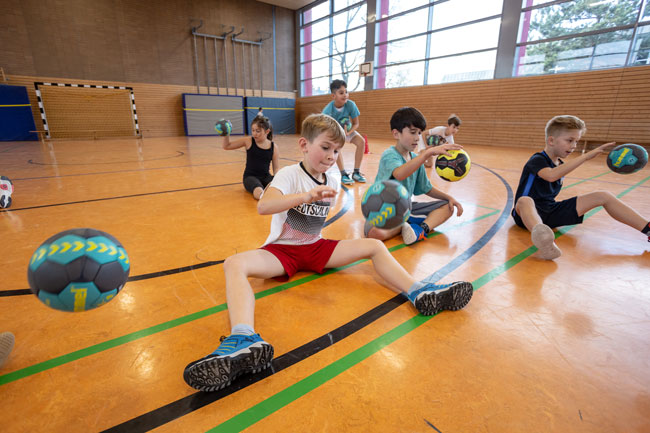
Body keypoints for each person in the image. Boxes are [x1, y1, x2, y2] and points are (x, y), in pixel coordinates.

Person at [183, 113, 474, 392]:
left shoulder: (332, 180)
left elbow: (316, 225)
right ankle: (243, 338)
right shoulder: (288, 175)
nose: (330, 156)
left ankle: (420, 292)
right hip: (282, 252)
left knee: (373, 245)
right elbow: (264, 206)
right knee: (235, 263)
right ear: (304, 145)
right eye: (325, 147)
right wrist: (306, 196)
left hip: (317, 248)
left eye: (336, 151)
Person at [512, 115, 650, 260]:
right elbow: (551, 175)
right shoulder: (537, 159)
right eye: (570, 140)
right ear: (551, 140)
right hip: (525, 215)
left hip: (550, 212)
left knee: (603, 195)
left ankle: (647, 228)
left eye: (576, 141)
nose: (574, 146)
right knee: (525, 200)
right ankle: (542, 238)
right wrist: (585, 157)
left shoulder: (560, 164)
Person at [366, 107, 465, 246]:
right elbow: (399, 173)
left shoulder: (414, 157)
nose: (418, 137)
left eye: (419, 133)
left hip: (406, 208)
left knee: (448, 207)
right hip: (384, 209)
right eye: (413, 132)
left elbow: (427, 188)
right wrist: (425, 154)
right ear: (396, 134)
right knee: (376, 233)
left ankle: (419, 229)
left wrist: (449, 198)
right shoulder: (390, 155)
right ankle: (405, 224)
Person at [222, 116, 279, 200]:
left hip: (266, 177)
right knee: (258, 188)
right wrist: (226, 134)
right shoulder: (248, 141)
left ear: (267, 131)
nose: (254, 133)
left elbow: (276, 168)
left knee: (278, 186)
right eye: (253, 130)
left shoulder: (274, 147)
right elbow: (227, 146)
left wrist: (278, 180)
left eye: (258, 131)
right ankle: (264, 198)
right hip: (250, 177)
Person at [322, 79, 367, 185]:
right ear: (333, 96)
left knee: (361, 142)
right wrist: (339, 134)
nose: (345, 95)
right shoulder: (328, 111)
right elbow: (326, 127)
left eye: (346, 92)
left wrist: (349, 132)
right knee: (336, 148)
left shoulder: (351, 105)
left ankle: (356, 172)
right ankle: (343, 174)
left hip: (348, 131)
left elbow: (356, 123)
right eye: (341, 93)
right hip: (335, 133)